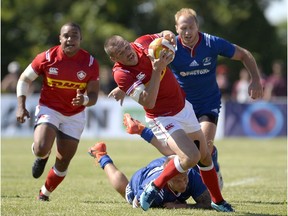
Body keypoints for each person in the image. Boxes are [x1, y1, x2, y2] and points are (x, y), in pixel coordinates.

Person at [104, 34, 233, 212]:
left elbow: (167, 34)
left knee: (205, 156)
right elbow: (148, 102)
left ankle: (218, 201)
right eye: (121, 52)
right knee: (190, 157)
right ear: (114, 58)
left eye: (126, 46)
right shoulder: (122, 73)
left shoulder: (143, 43)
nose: (128, 52)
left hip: (183, 108)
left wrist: (168, 38)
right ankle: (155, 186)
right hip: (162, 117)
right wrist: (157, 70)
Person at [16, 22, 100, 201]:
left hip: (75, 114)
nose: (70, 39)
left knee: (63, 162)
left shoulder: (91, 63)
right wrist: (21, 105)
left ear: (80, 39)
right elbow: (24, 79)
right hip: (50, 108)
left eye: (75, 36)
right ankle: (43, 155)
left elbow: (93, 95)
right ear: (60, 38)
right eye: (66, 36)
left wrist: (84, 100)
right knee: (40, 148)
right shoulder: (46, 57)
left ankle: (44, 193)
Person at [88, 142, 212, 209]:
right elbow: (138, 204)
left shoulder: (191, 175)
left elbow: (206, 203)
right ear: (168, 179)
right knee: (126, 193)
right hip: (141, 179)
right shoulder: (151, 187)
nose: (184, 183)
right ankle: (102, 156)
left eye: (185, 178)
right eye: (179, 180)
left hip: (165, 163)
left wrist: (182, 206)